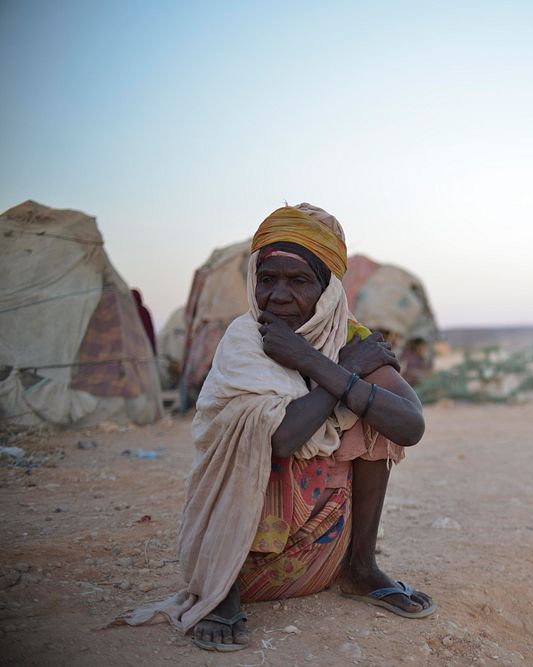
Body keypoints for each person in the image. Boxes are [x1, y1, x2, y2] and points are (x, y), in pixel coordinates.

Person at [124, 203, 435, 651]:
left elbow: (410, 425)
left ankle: (361, 569)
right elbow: (283, 439)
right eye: (267, 279)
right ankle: (221, 595)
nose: (278, 295)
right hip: (241, 562)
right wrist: (330, 370)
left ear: (328, 291)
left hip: (317, 554)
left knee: (379, 419)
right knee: (247, 428)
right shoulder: (246, 338)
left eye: (299, 281)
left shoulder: (349, 339)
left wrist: (322, 365)